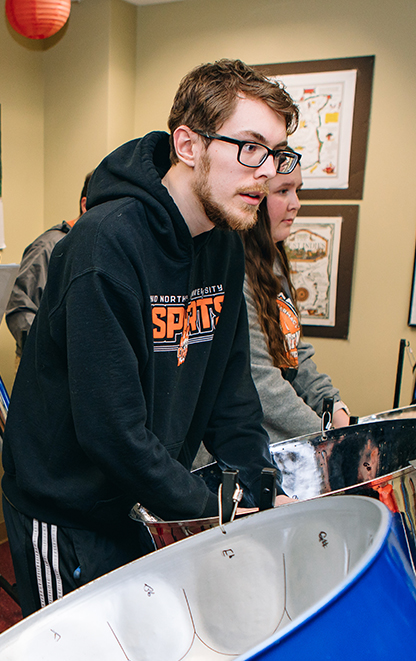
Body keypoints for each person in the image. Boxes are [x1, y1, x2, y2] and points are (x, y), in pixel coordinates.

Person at [1, 58, 299, 617]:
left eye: (278, 153)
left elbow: (232, 400)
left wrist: (260, 489)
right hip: (67, 509)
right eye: (251, 147)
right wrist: (218, 508)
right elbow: (110, 430)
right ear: (188, 144)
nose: (267, 171)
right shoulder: (103, 246)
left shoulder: (223, 241)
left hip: (141, 500)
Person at [241, 165, 350, 443]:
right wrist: (325, 439)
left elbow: (293, 351)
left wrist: (334, 407)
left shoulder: (273, 259)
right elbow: (261, 382)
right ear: (255, 197)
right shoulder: (235, 272)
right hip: (247, 451)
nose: (296, 204)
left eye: (297, 190)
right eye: (283, 191)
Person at [5, 172, 93, 362]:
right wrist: (49, 354)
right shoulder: (48, 247)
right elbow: (20, 307)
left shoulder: (98, 246)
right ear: (85, 205)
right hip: (43, 366)